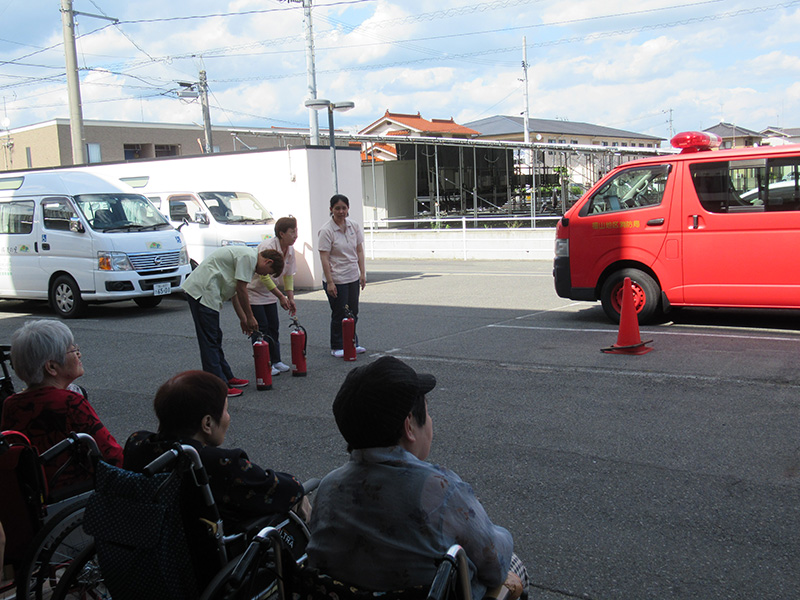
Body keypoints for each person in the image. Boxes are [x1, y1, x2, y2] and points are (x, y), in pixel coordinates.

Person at [307, 356, 528, 599]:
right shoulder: (439, 490)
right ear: (409, 426)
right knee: (513, 564)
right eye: (428, 412)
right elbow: (494, 564)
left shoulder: (328, 487)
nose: (431, 422)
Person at [123, 370, 307, 530]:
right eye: (226, 411)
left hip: (148, 549)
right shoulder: (219, 464)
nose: (228, 417)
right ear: (207, 423)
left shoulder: (137, 444)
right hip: (204, 559)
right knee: (299, 498)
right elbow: (290, 489)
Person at [0, 320, 123, 494]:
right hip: (75, 494)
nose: (79, 355)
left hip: (32, 497)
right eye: (73, 350)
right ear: (51, 367)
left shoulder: (11, 404)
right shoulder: (69, 402)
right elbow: (112, 456)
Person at [182, 246, 284, 398]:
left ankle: (227, 377)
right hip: (202, 293)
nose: (264, 275)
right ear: (268, 261)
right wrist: (250, 317)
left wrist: (243, 318)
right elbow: (242, 289)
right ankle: (218, 385)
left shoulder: (247, 258)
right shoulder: (249, 258)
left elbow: (236, 292)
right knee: (209, 341)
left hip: (208, 294)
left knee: (215, 337)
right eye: (268, 271)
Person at [247, 216, 298, 376]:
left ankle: (276, 360)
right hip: (254, 292)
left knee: (273, 326)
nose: (295, 235)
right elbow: (264, 276)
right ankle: (264, 361)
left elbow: (288, 275)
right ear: (281, 233)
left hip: (270, 294)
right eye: (292, 232)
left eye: (296, 231)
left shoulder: (290, 250)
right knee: (261, 327)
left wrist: (290, 297)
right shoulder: (268, 246)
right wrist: (280, 296)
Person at [318, 194, 367, 358]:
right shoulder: (326, 230)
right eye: (337, 208)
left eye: (344, 208)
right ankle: (337, 345)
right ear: (331, 209)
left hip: (352, 275)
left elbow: (359, 250)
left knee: (353, 312)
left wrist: (362, 273)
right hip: (336, 278)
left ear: (348, 209)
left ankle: (352, 342)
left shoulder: (354, 226)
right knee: (340, 312)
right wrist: (330, 282)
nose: (341, 211)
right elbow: (324, 257)